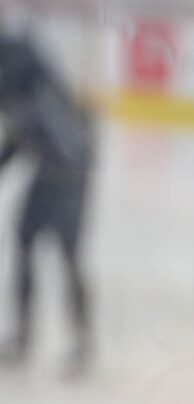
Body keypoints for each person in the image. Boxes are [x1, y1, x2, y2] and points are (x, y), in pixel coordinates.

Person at [0, 25, 94, 375]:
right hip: (65, 162)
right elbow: (23, 132)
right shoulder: (22, 61)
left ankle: (77, 343)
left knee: (64, 252)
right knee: (32, 242)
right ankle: (36, 338)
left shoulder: (16, 67)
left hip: (67, 166)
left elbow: (27, 132)